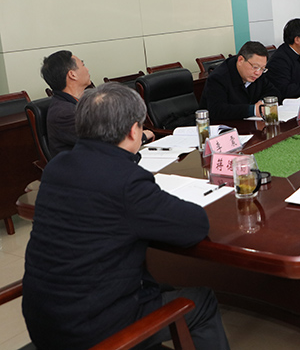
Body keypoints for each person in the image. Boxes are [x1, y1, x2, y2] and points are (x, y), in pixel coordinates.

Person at [22, 83, 230, 350]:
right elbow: (195, 226)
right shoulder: (126, 181)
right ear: (134, 131)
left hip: (44, 321)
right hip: (89, 331)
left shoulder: (56, 167)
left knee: (161, 286)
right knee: (202, 301)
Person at [200, 41, 280, 121]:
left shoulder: (257, 74)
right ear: (240, 60)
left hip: (249, 123)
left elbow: (274, 92)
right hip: (224, 126)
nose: (258, 73)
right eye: (255, 67)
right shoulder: (218, 78)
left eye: (262, 68)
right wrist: (252, 110)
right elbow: (217, 110)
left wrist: (262, 103)